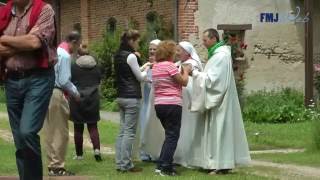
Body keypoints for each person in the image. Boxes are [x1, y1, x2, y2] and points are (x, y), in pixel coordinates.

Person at [0, 0, 56, 179]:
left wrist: (4, 39)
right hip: (12, 80)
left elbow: (34, 43)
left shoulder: (44, 10)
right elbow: (28, 41)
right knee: (19, 139)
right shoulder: (4, 13)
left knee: (27, 131)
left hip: (38, 79)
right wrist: (22, 41)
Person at [190, 28, 251, 174]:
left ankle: (221, 163)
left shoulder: (221, 56)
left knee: (219, 131)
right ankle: (212, 162)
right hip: (217, 101)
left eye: (205, 40)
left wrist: (194, 73)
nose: (203, 43)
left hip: (220, 102)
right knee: (214, 131)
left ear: (213, 39)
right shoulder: (217, 55)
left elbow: (213, 81)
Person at [43, 31, 81, 176]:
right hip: (57, 92)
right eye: (78, 44)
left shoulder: (54, 51)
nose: (77, 48)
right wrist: (76, 94)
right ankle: (58, 166)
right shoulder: (65, 55)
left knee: (50, 131)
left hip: (46, 92)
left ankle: (52, 164)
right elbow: (64, 81)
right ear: (74, 42)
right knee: (61, 131)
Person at [114, 29, 150, 173]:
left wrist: (144, 66)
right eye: (137, 41)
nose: (137, 44)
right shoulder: (131, 56)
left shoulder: (118, 55)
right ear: (131, 41)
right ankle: (126, 164)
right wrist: (147, 70)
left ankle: (119, 163)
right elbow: (140, 77)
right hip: (132, 97)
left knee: (122, 131)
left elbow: (131, 72)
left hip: (121, 96)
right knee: (129, 132)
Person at [152, 40, 190, 176]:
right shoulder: (170, 66)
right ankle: (166, 167)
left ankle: (160, 164)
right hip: (172, 104)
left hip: (159, 104)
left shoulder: (155, 67)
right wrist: (186, 71)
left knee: (169, 135)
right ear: (170, 53)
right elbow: (184, 82)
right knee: (173, 136)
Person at [69, 46, 102, 162]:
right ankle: (97, 150)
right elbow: (98, 80)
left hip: (77, 98)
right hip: (93, 98)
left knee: (78, 128)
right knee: (93, 126)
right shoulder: (96, 66)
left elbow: (69, 81)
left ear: (78, 55)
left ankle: (79, 155)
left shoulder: (73, 67)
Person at [139, 39, 161, 162]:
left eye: (154, 49)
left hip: (156, 103)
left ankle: (155, 153)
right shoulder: (146, 65)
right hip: (146, 102)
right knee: (144, 127)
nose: (152, 51)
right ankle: (144, 153)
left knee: (155, 128)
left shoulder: (162, 65)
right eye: (150, 49)